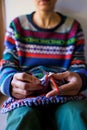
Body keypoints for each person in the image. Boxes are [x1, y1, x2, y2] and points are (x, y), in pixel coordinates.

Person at [0, 0, 87, 130]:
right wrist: (10, 82)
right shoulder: (17, 26)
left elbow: (79, 65)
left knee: (76, 114)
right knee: (22, 117)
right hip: (26, 97)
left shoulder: (73, 28)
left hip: (65, 96)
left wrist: (80, 80)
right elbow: (7, 64)